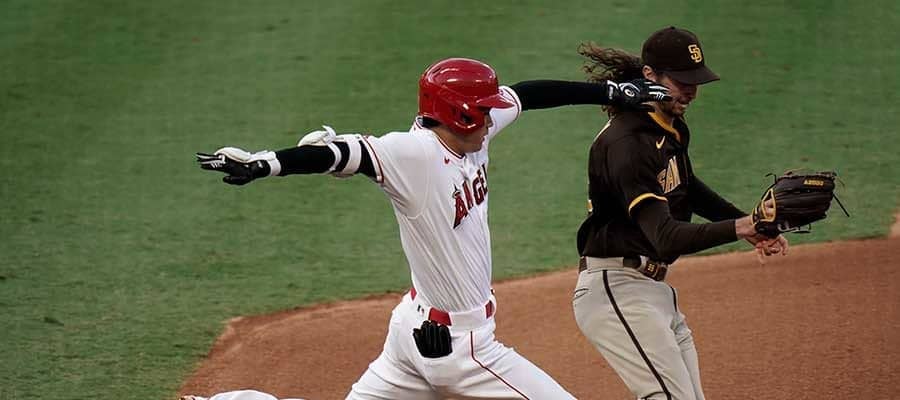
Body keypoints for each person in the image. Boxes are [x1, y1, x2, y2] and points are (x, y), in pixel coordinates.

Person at [194, 57, 668, 399]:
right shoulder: (413, 154)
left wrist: (609, 93)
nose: (493, 116)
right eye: (484, 109)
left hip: (414, 329)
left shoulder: (471, 130)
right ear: (460, 113)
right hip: (462, 348)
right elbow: (342, 154)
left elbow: (527, 94)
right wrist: (265, 163)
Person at [570, 27, 788, 400]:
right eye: (681, 81)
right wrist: (741, 226)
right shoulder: (627, 144)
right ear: (649, 76)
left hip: (651, 290)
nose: (690, 91)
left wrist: (752, 223)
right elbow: (666, 238)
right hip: (618, 291)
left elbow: (687, 186)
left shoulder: (668, 125)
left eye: (695, 81)